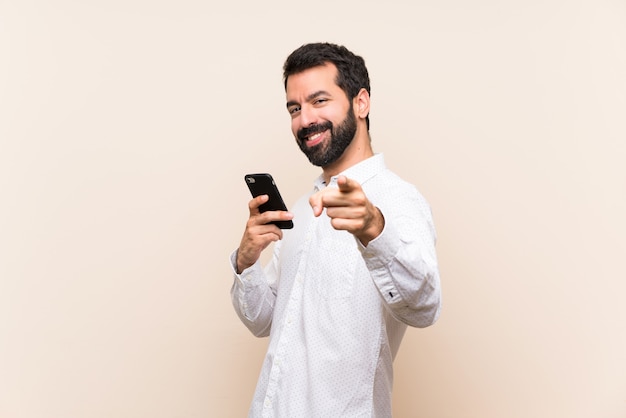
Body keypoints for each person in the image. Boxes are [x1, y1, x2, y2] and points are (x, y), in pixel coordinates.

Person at [229, 42, 442, 417]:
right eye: (295, 108)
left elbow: (425, 307)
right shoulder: (299, 208)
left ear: (361, 103)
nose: (304, 119)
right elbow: (264, 321)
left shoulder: (398, 200)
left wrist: (375, 231)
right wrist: (246, 262)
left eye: (319, 100)